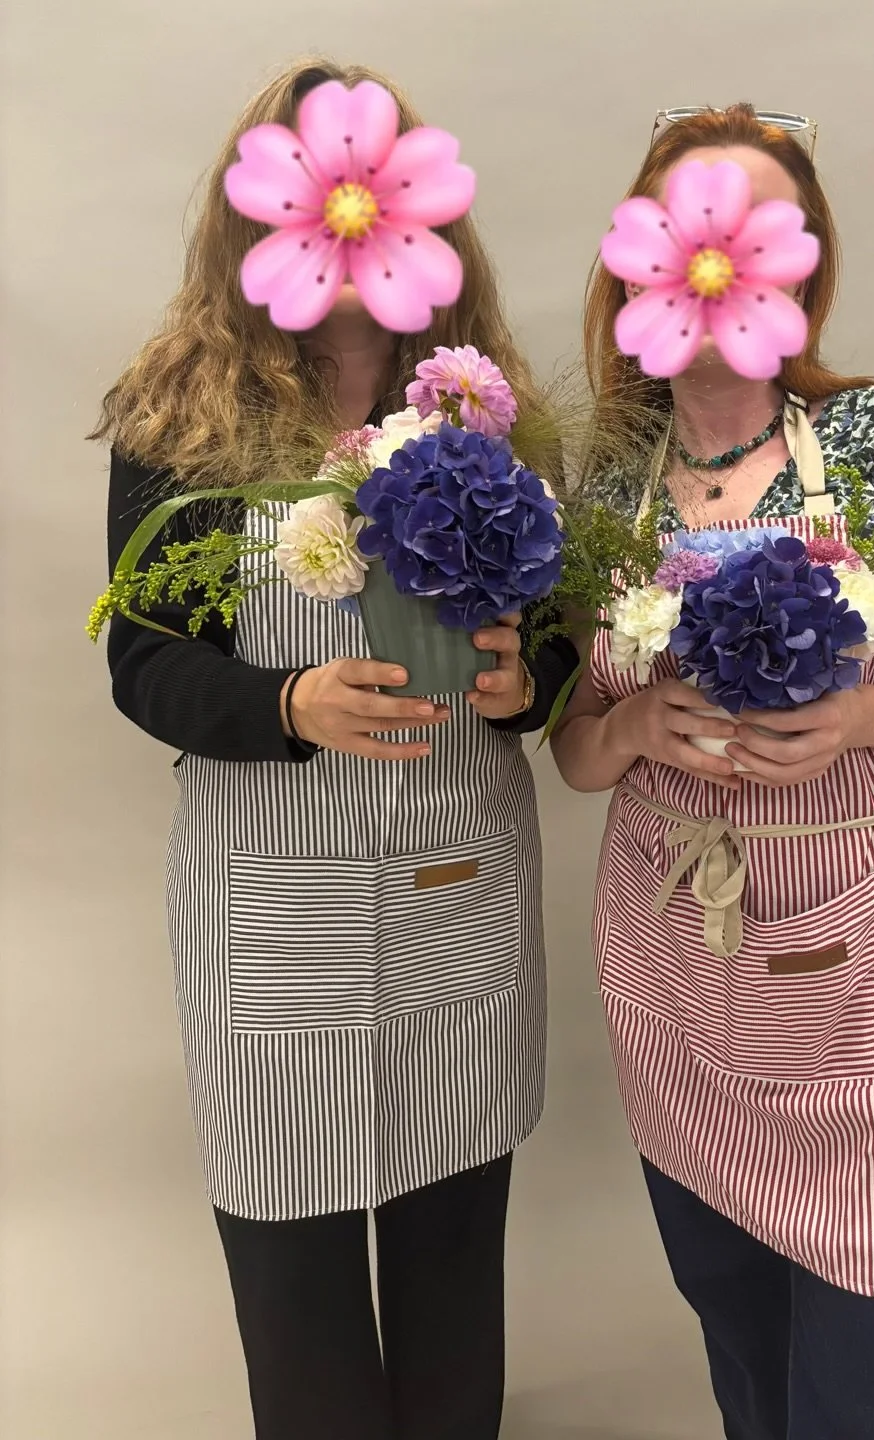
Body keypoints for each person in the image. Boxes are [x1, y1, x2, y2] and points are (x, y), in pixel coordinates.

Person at [94, 58, 578, 1440]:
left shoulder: (493, 414)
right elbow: (141, 659)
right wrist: (288, 708)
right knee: (293, 1251)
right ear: (262, 216)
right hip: (276, 895)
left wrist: (517, 681)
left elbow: (553, 640)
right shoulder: (177, 418)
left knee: (448, 1240)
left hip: (454, 884)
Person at [551, 104, 874, 1440]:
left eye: (752, 231)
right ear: (639, 260)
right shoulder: (607, 478)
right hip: (677, 972)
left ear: (802, 265)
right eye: (684, 228)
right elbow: (578, 751)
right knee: (746, 1351)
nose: (717, 262)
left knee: (872, 1382)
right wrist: (634, 731)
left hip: (869, 992)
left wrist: (863, 723)